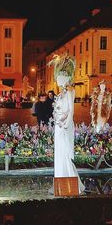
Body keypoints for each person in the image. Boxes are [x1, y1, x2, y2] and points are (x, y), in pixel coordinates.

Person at [48, 53, 85, 194]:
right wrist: (56, 119)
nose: (57, 80)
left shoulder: (70, 91)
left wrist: (65, 124)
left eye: (58, 78)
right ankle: (60, 181)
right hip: (59, 126)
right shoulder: (61, 92)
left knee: (65, 153)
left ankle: (69, 181)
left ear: (64, 77)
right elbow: (58, 108)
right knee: (59, 153)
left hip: (65, 126)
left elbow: (71, 111)